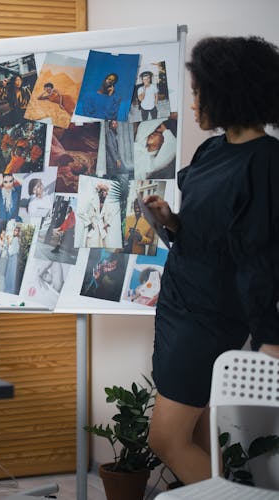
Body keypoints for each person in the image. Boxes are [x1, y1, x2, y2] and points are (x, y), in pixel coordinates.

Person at [143, 36, 279, 485]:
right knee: (193, 438)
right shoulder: (212, 150)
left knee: (165, 439)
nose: (193, 101)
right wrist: (169, 221)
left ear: (228, 92)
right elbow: (203, 232)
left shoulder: (265, 162)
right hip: (179, 303)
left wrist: (269, 337)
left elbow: (260, 254)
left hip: (211, 316)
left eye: (199, 90)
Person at [77, 182, 118, 247]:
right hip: (93, 227)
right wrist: (90, 223)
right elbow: (82, 213)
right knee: (91, 243)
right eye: (101, 191)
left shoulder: (107, 205)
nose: (103, 192)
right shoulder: (92, 202)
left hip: (102, 228)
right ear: (98, 192)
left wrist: (106, 224)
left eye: (104, 191)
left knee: (102, 245)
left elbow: (111, 215)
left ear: (107, 193)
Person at [3, 226, 21, 294]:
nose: (15, 232)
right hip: (12, 258)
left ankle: (9, 290)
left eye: (17, 231)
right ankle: (8, 288)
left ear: (18, 232)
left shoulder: (15, 239)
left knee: (11, 273)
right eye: (14, 230)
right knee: (10, 272)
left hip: (13, 258)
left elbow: (11, 251)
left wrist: (8, 242)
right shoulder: (14, 238)